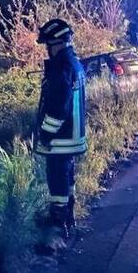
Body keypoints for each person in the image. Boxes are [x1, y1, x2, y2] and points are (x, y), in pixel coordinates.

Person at [34, 19, 87, 248]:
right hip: (73, 136)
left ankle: (58, 225)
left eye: (48, 44)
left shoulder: (61, 66)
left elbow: (59, 106)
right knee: (67, 177)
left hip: (60, 139)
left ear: (56, 43)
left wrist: (46, 133)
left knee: (57, 179)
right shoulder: (74, 63)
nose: (47, 48)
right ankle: (69, 216)